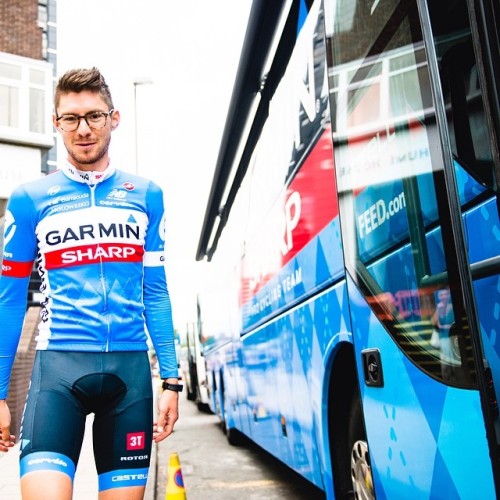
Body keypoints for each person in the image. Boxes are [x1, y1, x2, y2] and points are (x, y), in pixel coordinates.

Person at [0, 67, 181, 500]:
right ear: (56, 123)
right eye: (71, 118)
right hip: (57, 372)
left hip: (130, 377)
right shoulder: (30, 199)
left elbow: (154, 292)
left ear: (113, 119)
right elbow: (8, 301)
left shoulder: (147, 194)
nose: (83, 129)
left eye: (94, 116)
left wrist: (172, 382)